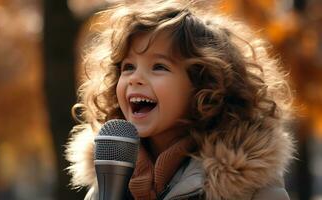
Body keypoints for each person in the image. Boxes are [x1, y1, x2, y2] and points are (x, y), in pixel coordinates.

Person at [65, 0, 295, 199]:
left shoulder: (249, 190)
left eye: (159, 67)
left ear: (204, 85)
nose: (135, 78)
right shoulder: (108, 181)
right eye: (128, 67)